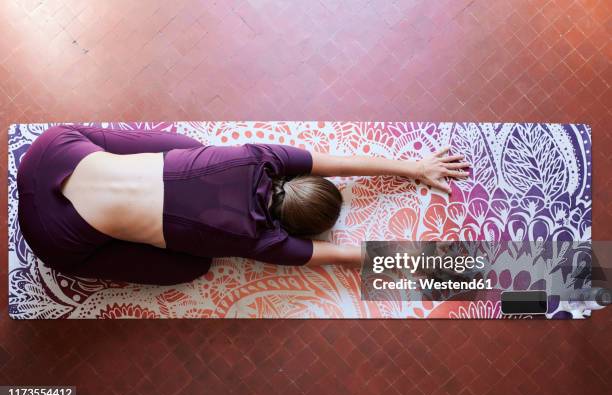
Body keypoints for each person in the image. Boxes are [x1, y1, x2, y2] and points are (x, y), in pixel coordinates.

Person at [17, 125, 469, 285]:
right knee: (192, 269)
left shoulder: (263, 158)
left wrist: (412, 168)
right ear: (292, 230)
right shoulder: (262, 241)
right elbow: (344, 258)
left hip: (52, 150)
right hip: (53, 237)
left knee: (188, 148)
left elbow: (339, 162)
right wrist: (429, 265)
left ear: (297, 179)